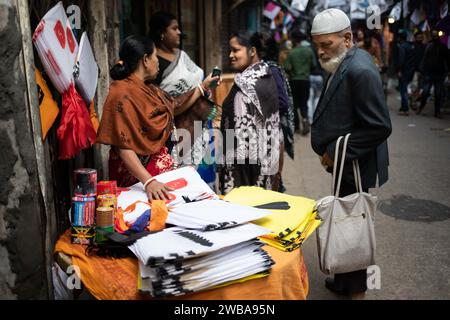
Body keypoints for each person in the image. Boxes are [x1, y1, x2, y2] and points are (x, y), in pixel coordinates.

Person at [310, 8, 392, 300]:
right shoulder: (343, 59)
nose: (320, 51)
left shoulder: (359, 69)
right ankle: (345, 282)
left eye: (326, 44)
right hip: (346, 162)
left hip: (356, 161)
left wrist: (333, 151)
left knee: (352, 221)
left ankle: (356, 291)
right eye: (316, 44)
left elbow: (379, 126)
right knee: (344, 217)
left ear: (346, 38)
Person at [96, 35, 217, 201]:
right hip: (136, 179)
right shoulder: (121, 94)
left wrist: (202, 88)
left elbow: (173, 107)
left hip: (158, 178)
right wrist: (148, 182)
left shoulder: (150, 88)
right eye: (155, 56)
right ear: (146, 60)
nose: (158, 61)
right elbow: (123, 146)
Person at [148, 11, 220, 188]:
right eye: (174, 28)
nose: (179, 32)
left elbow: (197, 82)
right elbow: (168, 108)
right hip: (178, 132)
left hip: (201, 124)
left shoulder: (182, 56)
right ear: (161, 33)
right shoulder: (154, 64)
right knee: (184, 181)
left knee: (205, 178)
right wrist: (200, 89)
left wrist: (206, 88)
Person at [218, 31, 280, 194]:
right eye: (229, 51)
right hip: (265, 169)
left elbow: (240, 143)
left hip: (243, 175)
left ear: (252, 51)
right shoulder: (267, 76)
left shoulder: (244, 88)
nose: (231, 55)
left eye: (236, 50)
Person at [260, 32, 296, 192]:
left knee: (273, 182)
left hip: (272, 132)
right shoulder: (266, 68)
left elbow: (282, 101)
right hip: (269, 132)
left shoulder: (271, 70)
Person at [284, 30, 318, 135]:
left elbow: (287, 67)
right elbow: (314, 65)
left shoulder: (292, 52)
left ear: (294, 40)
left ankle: (297, 127)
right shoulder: (309, 51)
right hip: (305, 80)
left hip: (294, 81)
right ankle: (305, 119)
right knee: (304, 103)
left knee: (294, 104)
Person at [417, 29, 449, 119]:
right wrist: (421, 70)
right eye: (433, 35)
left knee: (438, 93)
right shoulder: (428, 46)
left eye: (436, 35)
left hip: (439, 74)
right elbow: (424, 58)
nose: (435, 37)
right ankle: (421, 107)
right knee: (426, 92)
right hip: (428, 73)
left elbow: (447, 59)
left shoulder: (443, 47)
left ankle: (437, 111)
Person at [396, 29, 416, 116]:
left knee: (403, 90)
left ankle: (405, 109)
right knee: (405, 89)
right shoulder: (410, 46)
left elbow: (401, 60)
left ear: (400, 38)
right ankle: (403, 107)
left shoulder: (402, 47)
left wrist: (399, 70)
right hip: (410, 70)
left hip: (404, 71)